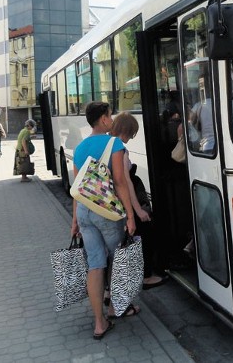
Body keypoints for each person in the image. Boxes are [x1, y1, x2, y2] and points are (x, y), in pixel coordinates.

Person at [71, 101, 137, 340]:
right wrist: (130, 215)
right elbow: (120, 182)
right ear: (103, 119)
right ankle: (116, 306)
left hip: (85, 213)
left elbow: (77, 188)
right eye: (109, 116)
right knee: (117, 260)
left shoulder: (79, 147)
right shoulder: (114, 143)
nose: (111, 119)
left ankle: (99, 323)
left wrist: (74, 221)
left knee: (96, 263)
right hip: (107, 213)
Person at [110, 112, 167, 290]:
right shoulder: (120, 150)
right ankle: (145, 276)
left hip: (112, 202)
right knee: (146, 235)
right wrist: (137, 211)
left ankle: (110, 288)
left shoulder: (107, 144)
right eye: (132, 132)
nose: (132, 137)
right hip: (126, 201)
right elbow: (126, 182)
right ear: (126, 130)